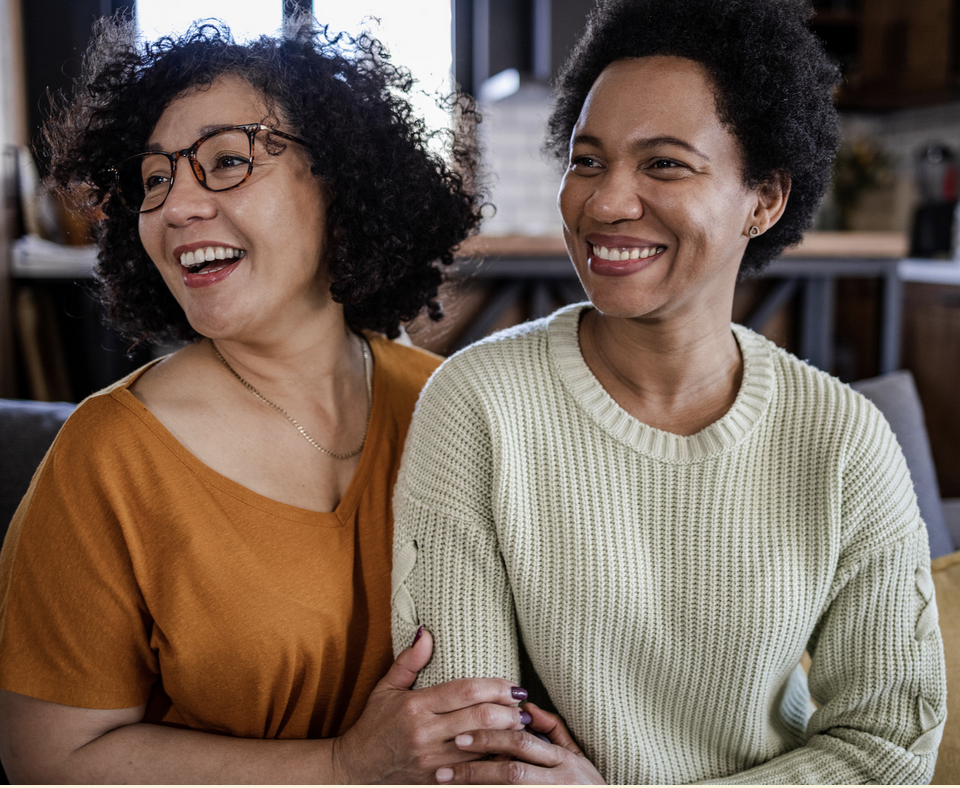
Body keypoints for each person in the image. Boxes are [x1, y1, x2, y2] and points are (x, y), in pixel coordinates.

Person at [391, 0, 948, 783]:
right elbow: (471, 750)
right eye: (588, 160)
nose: (607, 202)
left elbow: (887, 746)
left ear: (765, 200)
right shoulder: (479, 405)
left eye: (664, 164)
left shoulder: (845, 441)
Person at [0, 13, 533, 784]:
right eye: (155, 178)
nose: (178, 206)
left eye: (225, 161)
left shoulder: (448, 406)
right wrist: (345, 767)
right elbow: (48, 758)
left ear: (342, 183)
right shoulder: (109, 455)